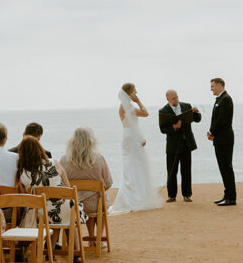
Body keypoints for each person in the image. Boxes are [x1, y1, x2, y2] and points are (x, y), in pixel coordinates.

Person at [110, 83, 163, 214]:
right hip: (131, 138)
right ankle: (133, 198)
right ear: (129, 93)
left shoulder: (126, 106)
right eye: (134, 91)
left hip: (130, 136)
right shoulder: (126, 106)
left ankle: (139, 195)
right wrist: (138, 101)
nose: (137, 93)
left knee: (136, 166)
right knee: (132, 167)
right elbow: (145, 113)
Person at [15, 136, 84, 234]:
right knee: (66, 208)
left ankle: (51, 246)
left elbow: (25, 199)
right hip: (66, 210)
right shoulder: (54, 163)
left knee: (51, 211)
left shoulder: (22, 173)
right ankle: (74, 247)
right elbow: (69, 190)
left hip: (41, 214)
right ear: (40, 149)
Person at [58, 126, 113, 243]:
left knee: (87, 200)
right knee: (100, 201)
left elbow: (60, 184)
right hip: (95, 205)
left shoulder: (64, 159)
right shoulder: (99, 159)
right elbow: (108, 183)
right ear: (90, 142)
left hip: (73, 205)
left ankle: (89, 237)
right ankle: (96, 238)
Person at [159, 89, 201, 202]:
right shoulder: (163, 110)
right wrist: (174, 127)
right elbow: (162, 129)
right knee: (172, 172)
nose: (176, 99)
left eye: (177, 97)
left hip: (186, 143)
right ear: (167, 99)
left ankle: (187, 194)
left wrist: (196, 112)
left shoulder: (186, 106)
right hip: (173, 145)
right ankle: (171, 195)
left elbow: (197, 119)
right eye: (173, 98)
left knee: (186, 170)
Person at [208, 77, 236, 206]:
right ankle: (227, 195)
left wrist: (212, 132)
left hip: (224, 138)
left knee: (226, 167)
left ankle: (231, 197)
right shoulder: (220, 99)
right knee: (223, 168)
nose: (211, 89)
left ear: (220, 85)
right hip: (220, 138)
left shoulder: (226, 99)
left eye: (213, 86)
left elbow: (222, 120)